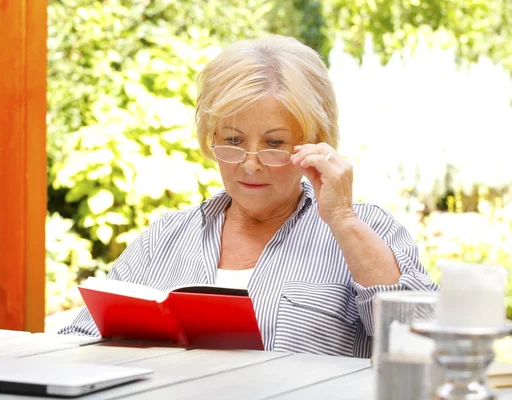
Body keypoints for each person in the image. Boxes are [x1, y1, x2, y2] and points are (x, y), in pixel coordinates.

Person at [59, 35, 438, 358]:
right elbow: (80, 342)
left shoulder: (364, 230)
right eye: (233, 141)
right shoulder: (165, 238)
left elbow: (424, 344)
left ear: (316, 143)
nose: (251, 165)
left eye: (275, 143)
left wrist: (342, 219)